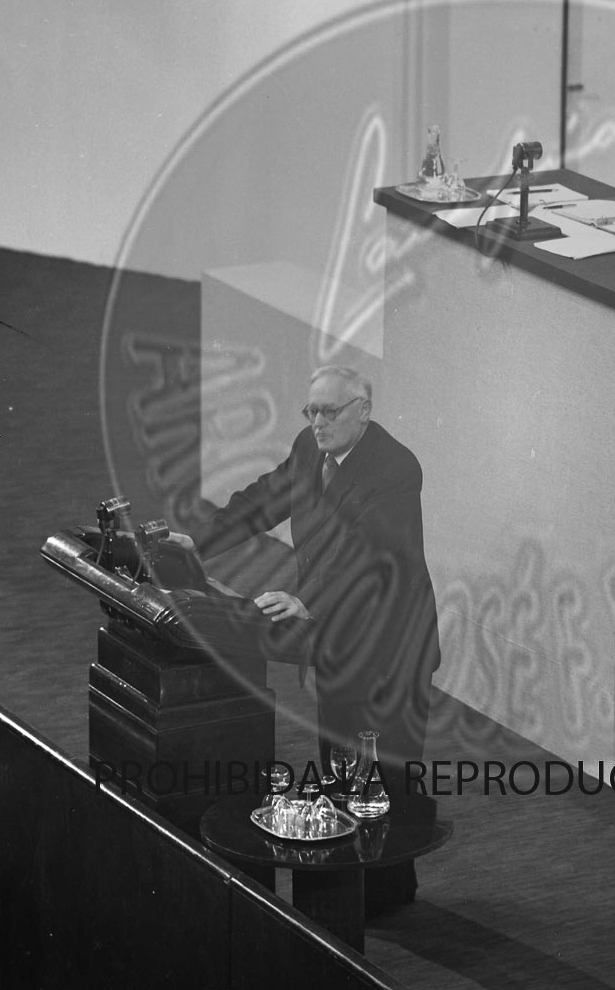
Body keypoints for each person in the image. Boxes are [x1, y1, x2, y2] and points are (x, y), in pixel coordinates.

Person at [170, 365, 441, 911]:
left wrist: (307, 602)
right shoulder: (308, 448)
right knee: (341, 762)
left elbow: (369, 554)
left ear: (363, 410)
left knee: (386, 771)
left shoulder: (395, 468)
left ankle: (389, 895)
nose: (317, 423)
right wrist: (196, 543)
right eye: (311, 411)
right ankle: (349, 893)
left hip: (391, 646)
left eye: (329, 412)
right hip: (335, 640)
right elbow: (263, 501)